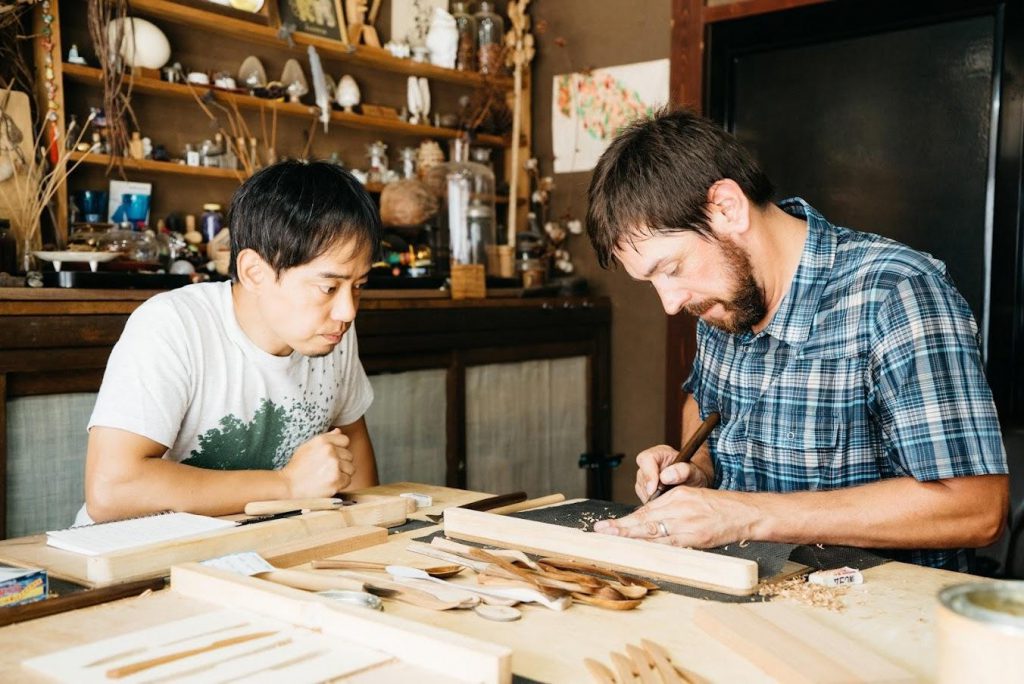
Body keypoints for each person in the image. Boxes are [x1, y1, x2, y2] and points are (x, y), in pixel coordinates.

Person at [585, 109, 1008, 571]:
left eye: (671, 269)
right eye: (652, 283)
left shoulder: (896, 293)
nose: (670, 303)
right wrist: (698, 468)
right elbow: (703, 405)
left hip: (883, 622)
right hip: (752, 601)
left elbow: (976, 507)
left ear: (727, 207)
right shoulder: (725, 298)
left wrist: (744, 517)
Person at [79, 160, 381, 524]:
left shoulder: (332, 332)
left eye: (359, 287)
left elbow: (353, 447)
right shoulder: (173, 325)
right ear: (254, 272)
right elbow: (112, 490)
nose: (348, 311)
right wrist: (286, 485)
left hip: (256, 553)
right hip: (139, 561)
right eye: (328, 287)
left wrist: (372, 532)